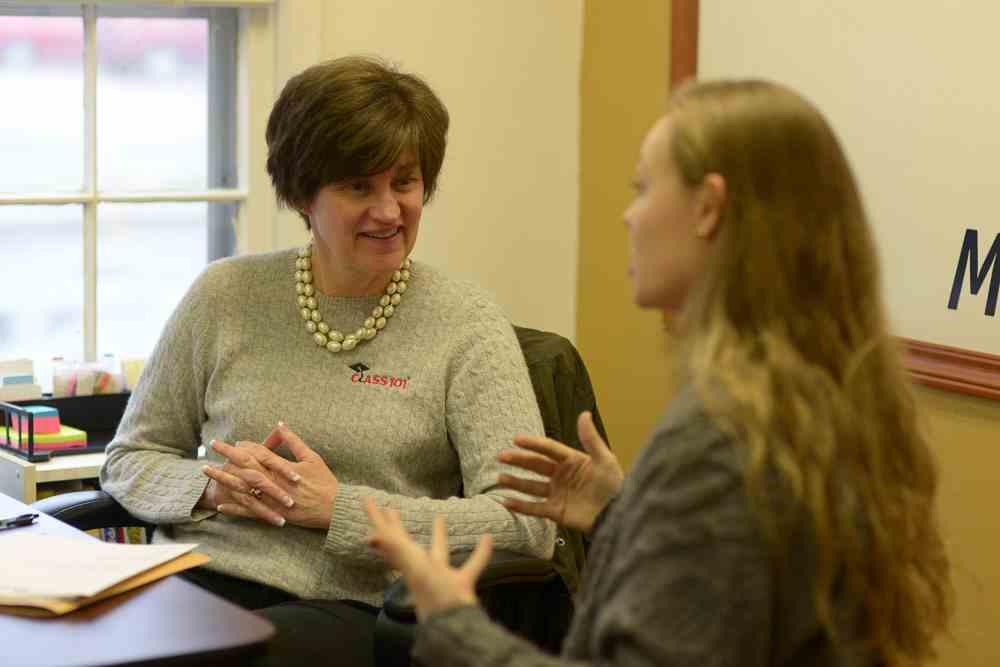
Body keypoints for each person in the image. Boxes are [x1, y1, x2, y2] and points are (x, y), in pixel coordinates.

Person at [365, 79, 953, 667]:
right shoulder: (813, 396)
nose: (628, 215)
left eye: (643, 188)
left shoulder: (718, 440)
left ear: (708, 208)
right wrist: (621, 513)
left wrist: (450, 623)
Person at [99, 55, 554, 667]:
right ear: (301, 196)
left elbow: (527, 525)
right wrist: (213, 489)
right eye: (358, 186)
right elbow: (131, 459)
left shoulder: (467, 321)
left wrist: (339, 510)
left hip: (359, 604)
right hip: (196, 576)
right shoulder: (224, 295)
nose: (390, 210)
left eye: (405, 182)